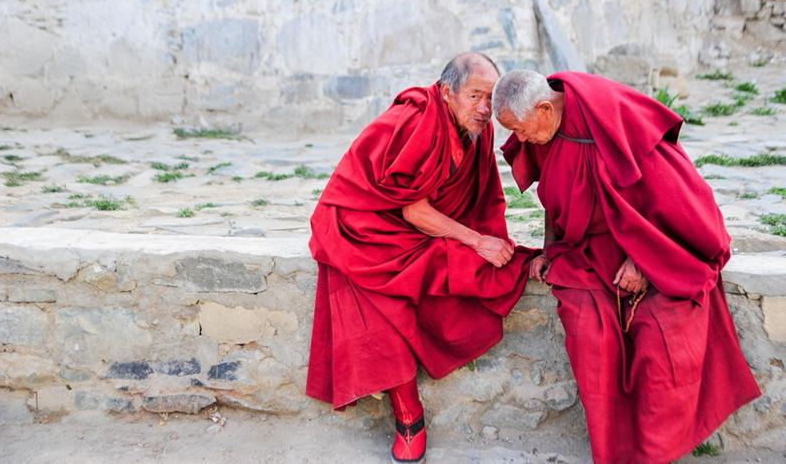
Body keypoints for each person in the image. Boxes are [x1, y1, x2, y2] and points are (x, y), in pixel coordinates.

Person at [492, 69, 762, 464]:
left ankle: (654, 453)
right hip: (588, 252)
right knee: (588, 336)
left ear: (545, 109)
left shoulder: (610, 116)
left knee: (663, 338)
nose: (522, 140)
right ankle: (612, 454)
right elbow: (557, 195)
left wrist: (642, 259)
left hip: (656, 246)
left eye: (522, 130)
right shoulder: (543, 128)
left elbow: (676, 198)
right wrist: (550, 250)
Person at [307, 53, 537, 463]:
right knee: (379, 294)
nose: (485, 109)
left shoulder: (476, 129)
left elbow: (476, 201)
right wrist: (475, 240)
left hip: (419, 224)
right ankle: (408, 414)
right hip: (363, 225)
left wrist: (485, 240)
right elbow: (413, 209)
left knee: (495, 269)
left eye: (490, 98)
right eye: (476, 96)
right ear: (447, 92)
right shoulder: (414, 120)